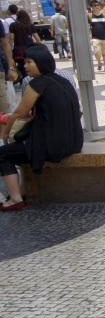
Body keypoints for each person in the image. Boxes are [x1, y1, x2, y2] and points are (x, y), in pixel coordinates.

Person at [0, 45, 84, 210]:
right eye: (24, 62)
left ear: (41, 62)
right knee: (21, 148)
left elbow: (19, 113)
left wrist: (6, 134)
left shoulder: (37, 84)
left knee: (3, 154)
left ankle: (15, 198)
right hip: (74, 141)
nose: (25, 66)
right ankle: (23, 190)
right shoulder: (63, 81)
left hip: (52, 145)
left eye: (29, 62)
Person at [9, 9, 42, 82]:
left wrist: (10, 49)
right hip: (29, 47)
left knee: (21, 64)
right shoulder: (31, 25)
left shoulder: (13, 25)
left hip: (18, 48)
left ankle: (23, 79)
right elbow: (37, 37)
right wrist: (41, 47)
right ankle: (31, 77)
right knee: (30, 62)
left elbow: (11, 38)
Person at [88, 0, 105, 72]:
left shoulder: (104, 16)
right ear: (92, 7)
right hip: (95, 38)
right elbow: (88, 27)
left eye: (98, 5)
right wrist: (90, 34)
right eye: (95, 5)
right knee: (97, 53)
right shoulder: (90, 16)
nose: (97, 6)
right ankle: (99, 63)